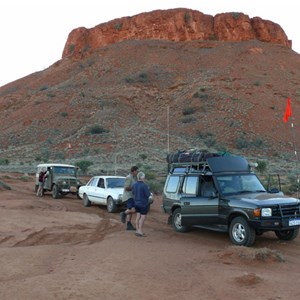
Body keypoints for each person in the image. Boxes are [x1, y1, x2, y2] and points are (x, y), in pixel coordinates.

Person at [120, 166, 139, 230]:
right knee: (133, 210)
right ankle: (123, 213)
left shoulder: (134, 178)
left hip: (132, 196)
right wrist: (134, 188)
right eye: (137, 171)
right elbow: (126, 188)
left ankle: (129, 225)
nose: (137, 172)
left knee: (130, 210)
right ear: (133, 171)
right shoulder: (129, 178)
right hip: (129, 196)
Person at [132, 171, 151, 237]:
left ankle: (137, 230)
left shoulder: (134, 185)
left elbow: (133, 193)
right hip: (143, 203)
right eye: (144, 177)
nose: (144, 178)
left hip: (136, 202)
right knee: (142, 217)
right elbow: (148, 194)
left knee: (138, 217)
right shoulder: (144, 185)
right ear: (142, 177)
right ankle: (140, 231)